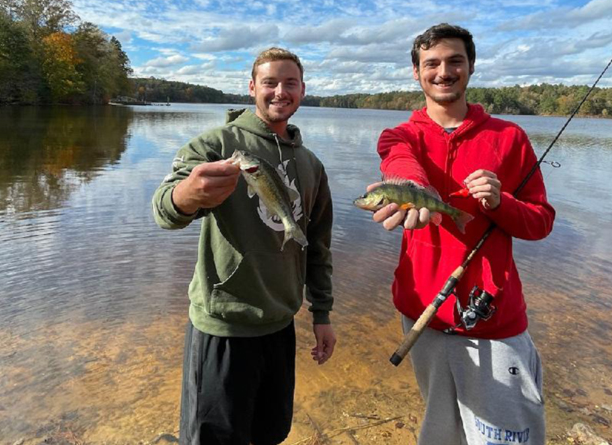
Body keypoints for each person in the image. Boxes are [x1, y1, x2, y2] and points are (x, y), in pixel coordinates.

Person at [368, 23, 555, 445]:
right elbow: (398, 162)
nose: (443, 71)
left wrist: (501, 202)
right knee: (440, 433)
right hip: (422, 314)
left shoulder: (509, 138)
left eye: (455, 61)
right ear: (416, 73)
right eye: (431, 63)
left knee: (506, 436)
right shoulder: (400, 135)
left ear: (471, 66)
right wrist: (414, 191)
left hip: (494, 319)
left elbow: (541, 222)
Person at [152, 47, 336, 445]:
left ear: (303, 91)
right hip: (224, 327)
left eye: (290, 83)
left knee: (269, 433)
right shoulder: (219, 143)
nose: (279, 92)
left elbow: (318, 247)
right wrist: (187, 194)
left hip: (280, 324)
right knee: (213, 439)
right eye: (269, 82)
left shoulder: (312, 164)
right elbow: (164, 211)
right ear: (252, 87)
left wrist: (322, 313)